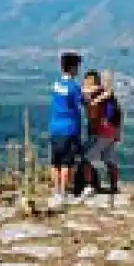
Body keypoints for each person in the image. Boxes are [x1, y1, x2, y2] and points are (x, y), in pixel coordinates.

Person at [48, 52, 87, 198]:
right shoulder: (74, 87)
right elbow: (83, 102)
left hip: (54, 127)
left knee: (55, 162)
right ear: (72, 68)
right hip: (69, 128)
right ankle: (64, 192)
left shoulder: (56, 85)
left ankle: (56, 191)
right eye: (77, 67)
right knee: (66, 163)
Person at [82, 69, 122, 195]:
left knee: (86, 158)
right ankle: (114, 186)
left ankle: (89, 186)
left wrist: (93, 100)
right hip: (111, 132)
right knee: (109, 160)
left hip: (102, 132)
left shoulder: (102, 94)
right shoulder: (107, 95)